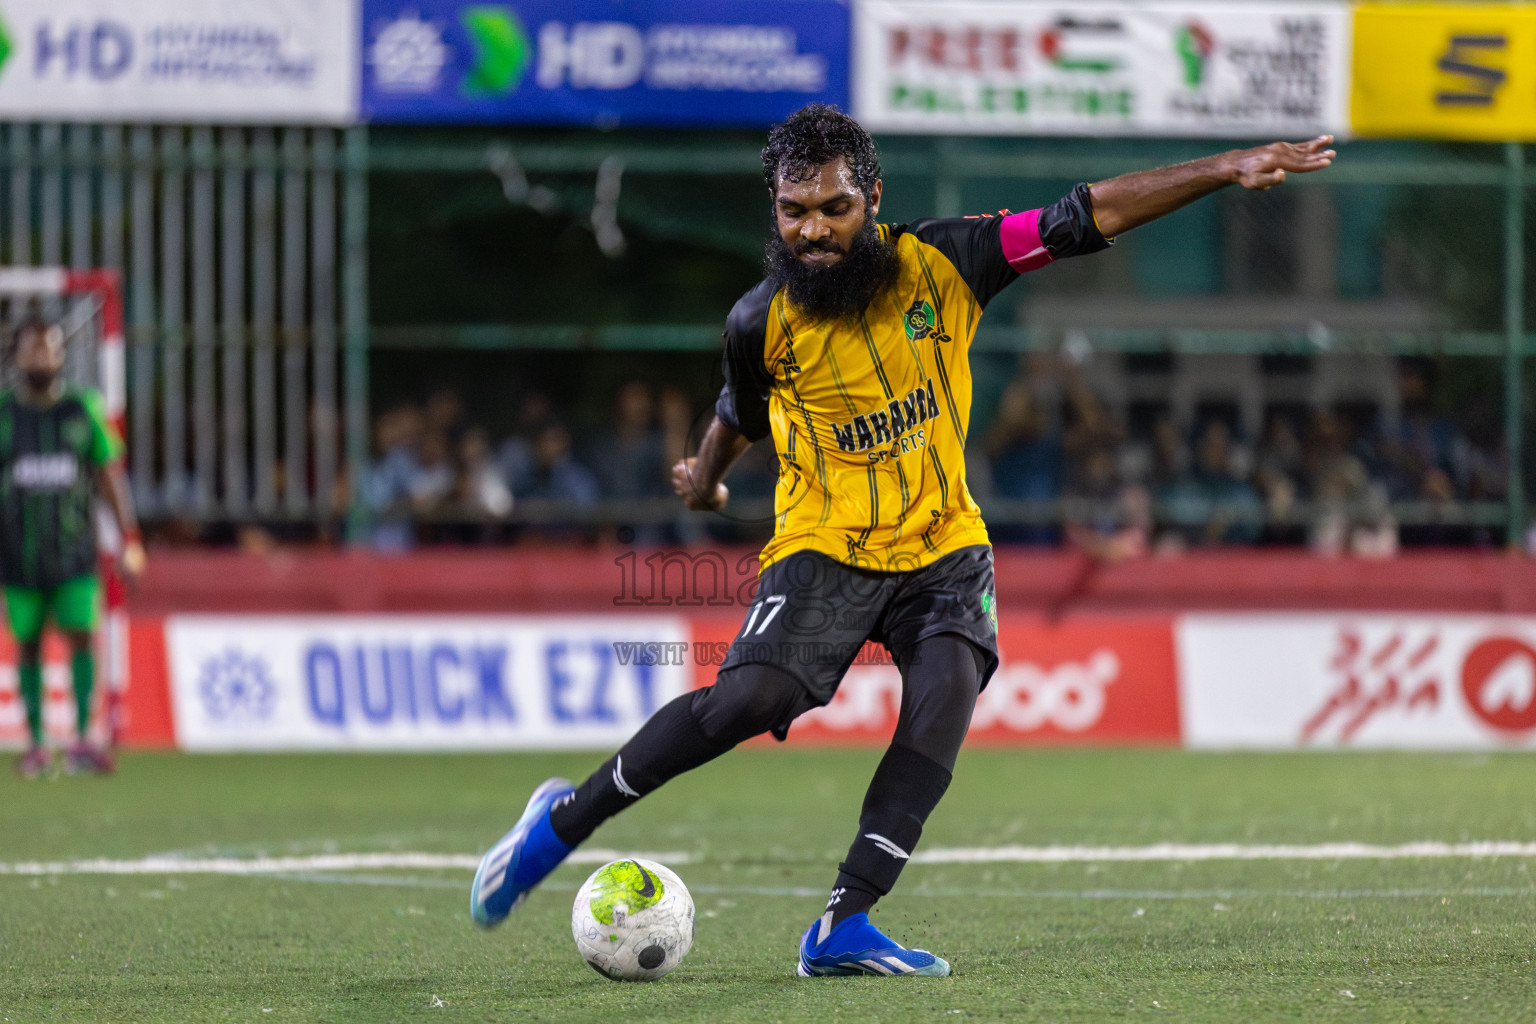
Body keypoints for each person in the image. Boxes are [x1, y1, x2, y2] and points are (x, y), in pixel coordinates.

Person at [469, 104, 1335, 975]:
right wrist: (703, 475)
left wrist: (1223, 167)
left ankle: (844, 923)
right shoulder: (758, 320)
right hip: (824, 543)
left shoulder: (953, 260)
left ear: (872, 199)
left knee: (944, 693)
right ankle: (560, 824)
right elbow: (740, 409)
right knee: (748, 703)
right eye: (793, 210)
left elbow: (1085, 214)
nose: (812, 230)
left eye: (834, 208)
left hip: (942, 543)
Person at [2, 320, 143, 777]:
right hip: (17, 553)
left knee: (82, 635)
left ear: (61, 355)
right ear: (17, 355)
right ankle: (37, 744)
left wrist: (130, 538)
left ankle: (84, 738)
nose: (40, 358)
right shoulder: (4, 414)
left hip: (75, 551)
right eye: (31, 350)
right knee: (27, 644)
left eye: (48, 349)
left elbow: (108, 474)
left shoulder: (83, 409)